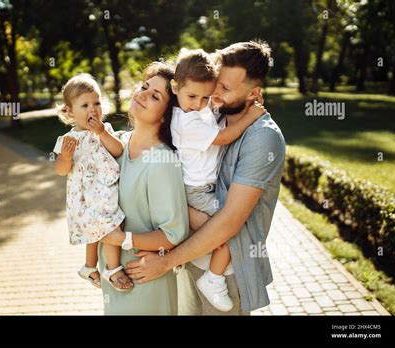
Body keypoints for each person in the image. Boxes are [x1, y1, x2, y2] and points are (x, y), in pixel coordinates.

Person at [125, 40, 286, 316]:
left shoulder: (263, 139)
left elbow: (229, 223)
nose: (213, 94)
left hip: (226, 273)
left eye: (224, 88)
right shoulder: (209, 116)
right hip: (189, 258)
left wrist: (165, 261)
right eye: (216, 85)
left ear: (254, 93)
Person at [169, 48, 265, 311]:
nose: (202, 102)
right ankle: (213, 279)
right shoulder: (185, 122)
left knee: (223, 228)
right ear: (175, 87)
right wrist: (250, 117)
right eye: (192, 96)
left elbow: (214, 118)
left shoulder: (196, 111)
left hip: (201, 188)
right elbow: (223, 137)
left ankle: (209, 274)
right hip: (197, 191)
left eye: (206, 96)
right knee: (226, 232)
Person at [98, 62, 189, 314]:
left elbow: (173, 235)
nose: (143, 94)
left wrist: (122, 239)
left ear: (165, 115)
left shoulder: (162, 161)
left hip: (145, 282)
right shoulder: (118, 145)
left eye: (155, 96)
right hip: (115, 279)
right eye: (145, 87)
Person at [53, 73, 133, 292]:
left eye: (96, 103)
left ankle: (89, 266)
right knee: (105, 226)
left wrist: (101, 132)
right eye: (84, 105)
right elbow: (60, 171)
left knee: (104, 226)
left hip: (105, 189)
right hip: (84, 196)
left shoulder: (104, 130)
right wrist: (66, 158)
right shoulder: (68, 140)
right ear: (69, 111)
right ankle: (113, 268)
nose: (92, 109)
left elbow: (118, 150)